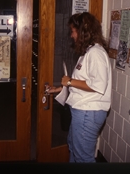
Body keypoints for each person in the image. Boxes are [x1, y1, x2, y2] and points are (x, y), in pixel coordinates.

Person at [47, 12, 112, 163]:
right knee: (74, 148)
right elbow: (83, 82)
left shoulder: (96, 53)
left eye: (73, 31)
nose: (71, 35)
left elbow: (97, 85)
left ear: (83, 31)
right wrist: (60, 88)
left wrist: (69, 81)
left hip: (88, 113)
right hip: (83, 111)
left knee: (83, 157)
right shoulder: (88, 52)